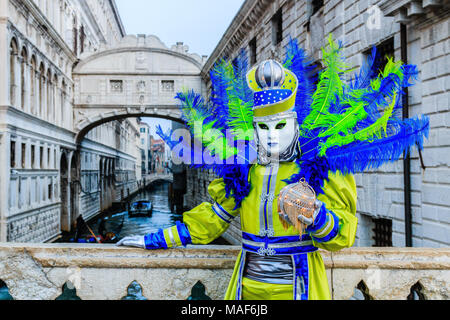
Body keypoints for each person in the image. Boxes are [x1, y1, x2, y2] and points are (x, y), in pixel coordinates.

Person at [117, 37, 428, 300]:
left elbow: (345, 232)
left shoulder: (318, 166)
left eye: (280, 125)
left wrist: (317, 217)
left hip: (300, 286)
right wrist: (154, 239)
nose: (271, 135)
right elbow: (212, 219)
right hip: (247, 287)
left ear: (295, 123)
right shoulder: (244, 168)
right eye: (262, 127)